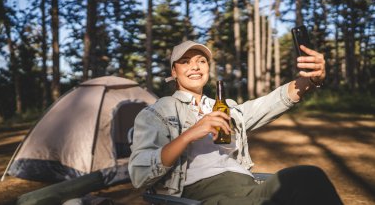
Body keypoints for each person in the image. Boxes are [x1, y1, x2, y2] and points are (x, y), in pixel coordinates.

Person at [128, 40, 343, 205]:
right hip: (202, 196)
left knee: (307, 178)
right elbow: (140, 173)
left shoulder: (226, 108)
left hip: (248, 187)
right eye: (185, 61)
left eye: (201, 61)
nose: (195, 66)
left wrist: (311, 78)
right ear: (174, 71)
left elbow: (271, 102)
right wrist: (191, 133)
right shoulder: (159, 111)